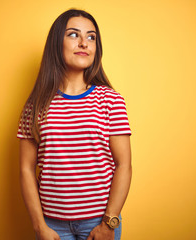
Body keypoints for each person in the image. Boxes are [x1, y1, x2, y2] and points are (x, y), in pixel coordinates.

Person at [17, 9, 132, 240]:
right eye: (73, 35)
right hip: (52, 225)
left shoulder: (110, 100)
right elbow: (26, 169)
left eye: (91, 37)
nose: (84, 43)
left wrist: (109, 223)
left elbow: (124, 165)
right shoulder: (36, 105)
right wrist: (40, 227)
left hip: (99, 222)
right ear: (56, 44)